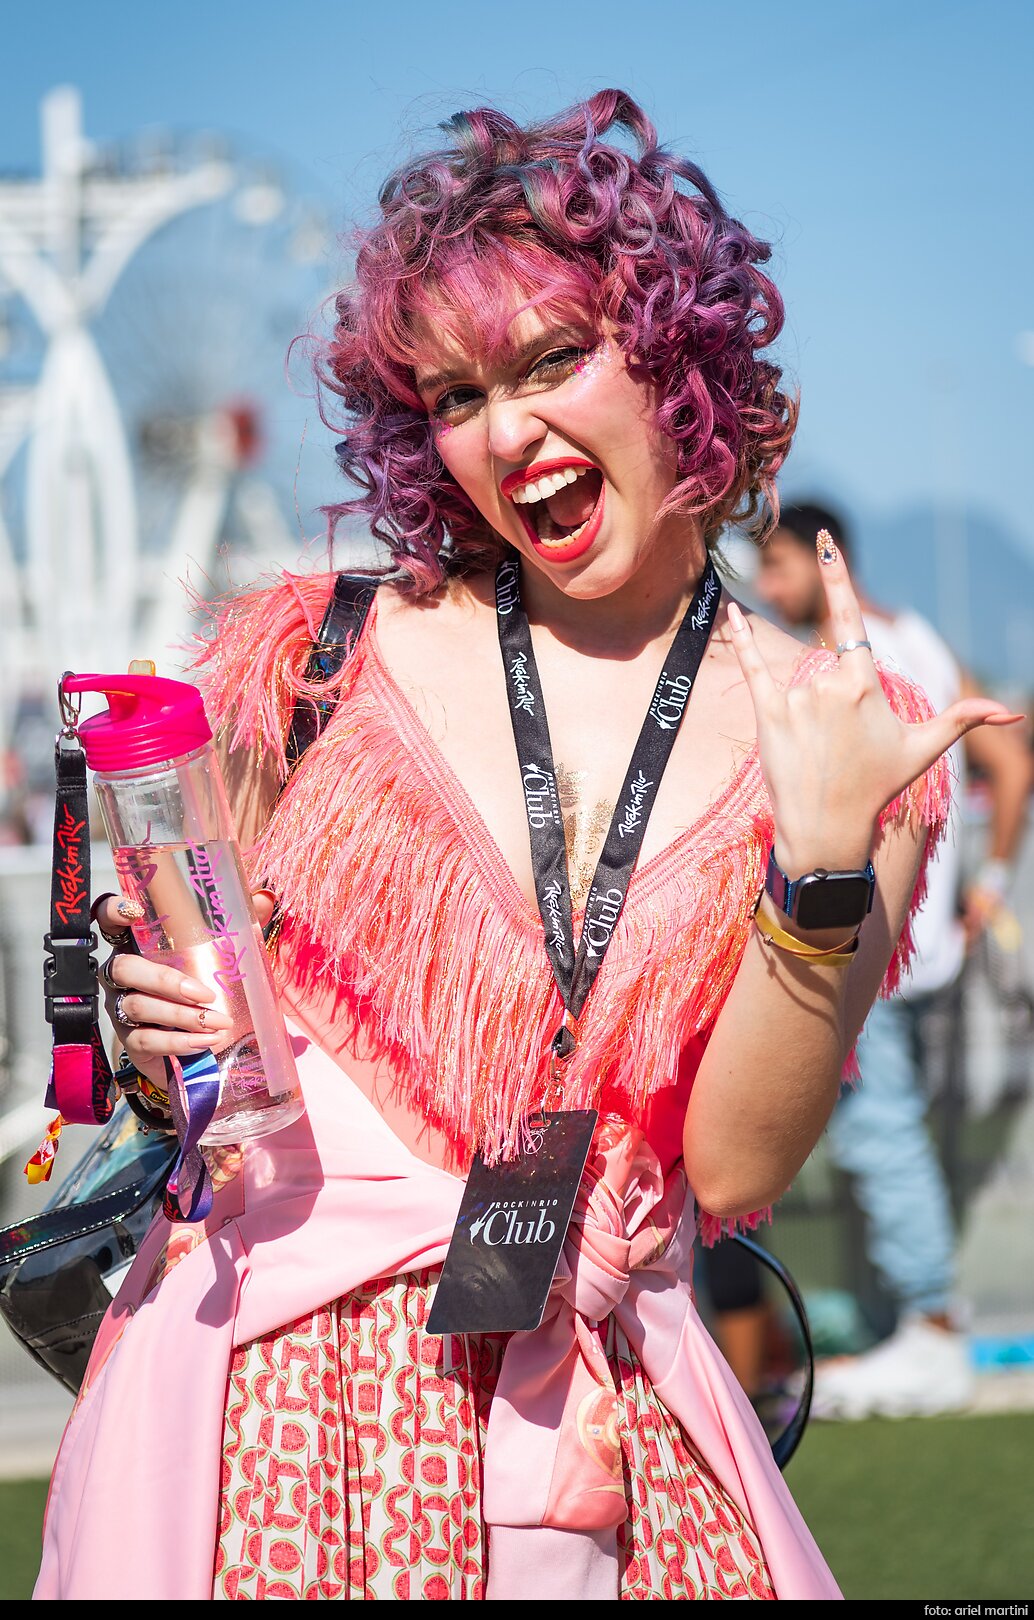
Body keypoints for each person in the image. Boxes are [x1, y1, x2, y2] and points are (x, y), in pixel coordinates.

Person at [34, 94, 1020, 1601]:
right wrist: (153, 1034)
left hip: (603, 1423)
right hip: (262, 1409)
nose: (503, 434)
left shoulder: (842, 741)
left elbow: (735, 1164)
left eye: (553, 360)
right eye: (453, 393)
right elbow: (185, 1021)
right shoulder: (316, 664)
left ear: (679, 358)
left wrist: (818, 860)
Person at [756, 499, 1033, 1419]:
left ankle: (931, 1328)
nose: (768, 588)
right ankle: (915, 1324)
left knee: (881, 1133)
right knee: (889, 1130)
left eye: (777, 566)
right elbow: (1013, 763)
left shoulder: (845, 656)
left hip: (871, 939)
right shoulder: (923, 638)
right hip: (924, 941)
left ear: (819, 557)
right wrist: (986, 885)